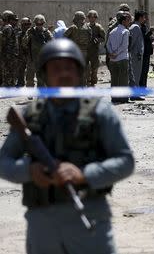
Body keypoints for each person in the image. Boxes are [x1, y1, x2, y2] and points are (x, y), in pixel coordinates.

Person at [0, 38, 134, 253]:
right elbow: (3, 161)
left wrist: (84, 174)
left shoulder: (100, 113)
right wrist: (28, 170)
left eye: (69, 68)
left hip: (89, 216)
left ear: (79, 72)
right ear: (44, 74)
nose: (63, 74)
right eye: (56, 69)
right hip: (42, 222)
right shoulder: (29, 116)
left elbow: (125, 161)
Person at [106, 11, 132, 103]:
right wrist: (116, 53)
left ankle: (115, 97)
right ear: (123, 21)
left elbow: (108, 44)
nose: (129, 22)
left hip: (113, 60)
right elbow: (124, 46)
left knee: (114, 79)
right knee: (123, 80)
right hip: (122, 59)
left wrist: (111, 53)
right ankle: (123, 98)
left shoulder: (112, 31)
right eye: (128, 20)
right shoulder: (125, 31)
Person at [64, 11, 92, 86]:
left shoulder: (73, 27)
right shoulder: (88, 27)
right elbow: (90, 39)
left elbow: (64, 37)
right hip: (84, 52)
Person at [25, 15, 53, 87]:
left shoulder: (46, 32)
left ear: (43, 23)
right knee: (30, 78)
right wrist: (28, 37)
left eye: (41, 24)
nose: (39, 26)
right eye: (37, 24)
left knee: (41, 78)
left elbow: (52, 43)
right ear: (35, 23)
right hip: (32, 58)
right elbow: (24, 43)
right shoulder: (30, 31)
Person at [128, 11, 145, 100]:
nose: (145, 19)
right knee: (135, 75)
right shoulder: (135, 27)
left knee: (135, 75)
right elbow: (131, 43)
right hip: (135, 56)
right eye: (144, 17)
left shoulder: (137, 27)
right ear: (140, 18)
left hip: (136, 55)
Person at [86, 10, 106, 86]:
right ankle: (87, 81)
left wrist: (98, 40)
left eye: (94, 17)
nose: (92, 19)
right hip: (86, 50)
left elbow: (103, 38)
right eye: (90, 17)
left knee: (94, 68)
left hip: (94, 50)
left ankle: (93, 82)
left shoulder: (98, 27)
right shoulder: (85, 26)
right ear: (88, 18)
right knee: (86, 67)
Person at [1, 10, 19, 86]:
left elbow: (3, 42)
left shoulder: (7, 28)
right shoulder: (8, 28)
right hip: (9, 55)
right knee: (9, 71)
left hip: (8, 55)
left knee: (8, 71)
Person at [139, 14, 154, 87]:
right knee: (142, 72)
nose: (145, 19)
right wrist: (150, 32)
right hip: (143, 53)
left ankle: (144, 87)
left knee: (145, 71)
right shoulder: (138, 27)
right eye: (143, 18)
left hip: (147, 53)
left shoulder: (143, 27)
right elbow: (142, 38)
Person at [16, 17, 32, 87]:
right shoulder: (19, 34)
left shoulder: (32, 33)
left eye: (28, 24)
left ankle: (29, 84)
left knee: (30, 72)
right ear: (22, 25)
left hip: (30, 55)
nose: (27, 26)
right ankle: (20, 83)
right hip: (21, 55)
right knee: (20, 70)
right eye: (25, 24)